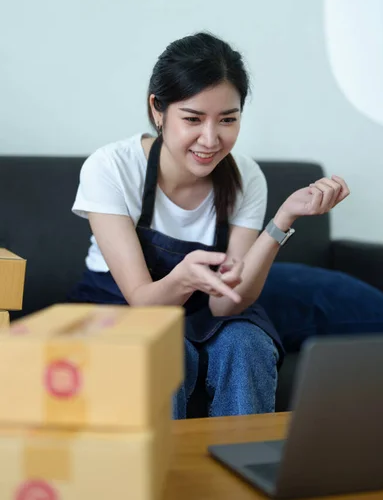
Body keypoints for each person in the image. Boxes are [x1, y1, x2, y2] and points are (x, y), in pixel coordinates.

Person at [69, 32, 350, 419]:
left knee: (247, 343)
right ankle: (160, 478)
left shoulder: (246, 178)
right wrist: (185, 277)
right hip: (129, 306)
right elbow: (143, 301)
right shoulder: (111, 168)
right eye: (193, 119)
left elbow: (225, 303)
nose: (210, 139)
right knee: (164, 349)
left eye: (228, 120)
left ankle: (246, 467)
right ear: (158, 109)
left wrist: (282, 220)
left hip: (206, 309)